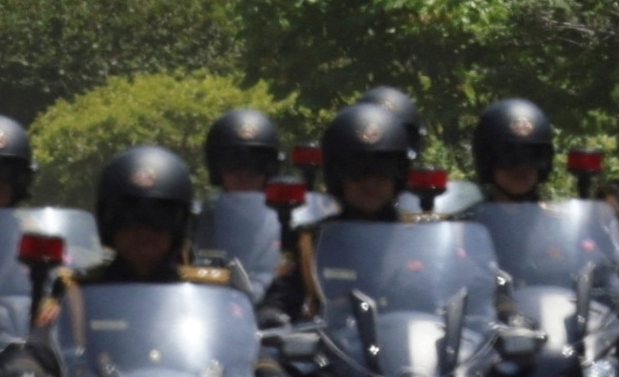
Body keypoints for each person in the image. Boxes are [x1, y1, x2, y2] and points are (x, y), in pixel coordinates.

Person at [259, 102, 414, 324]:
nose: (370, 183)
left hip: (412, 349)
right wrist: (272, 314)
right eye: (357, 171)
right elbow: (282, 295)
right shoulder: (309, 242)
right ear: (336, 175)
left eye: (383, 170)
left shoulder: (419, 240)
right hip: (331, 352)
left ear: (399, 175)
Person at [78, 147, 241, 289]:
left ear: (179, 225)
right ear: (108, 222)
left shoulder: (210, 289)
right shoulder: (79, 291)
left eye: (159, 219)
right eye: (128, 217)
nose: (143, 233)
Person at [470, 98, 555, 204]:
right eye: (509, 158)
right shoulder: (467, 220)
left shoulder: (561, 220)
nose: (521, 167)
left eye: (533, 157)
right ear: (487, 162)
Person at [204, 107, 282, 195]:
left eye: (257, 164)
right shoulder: (202, 208)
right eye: (233, 163)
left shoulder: (289, 208)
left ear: (271, 169)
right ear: (216, 168)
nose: (244, 174)